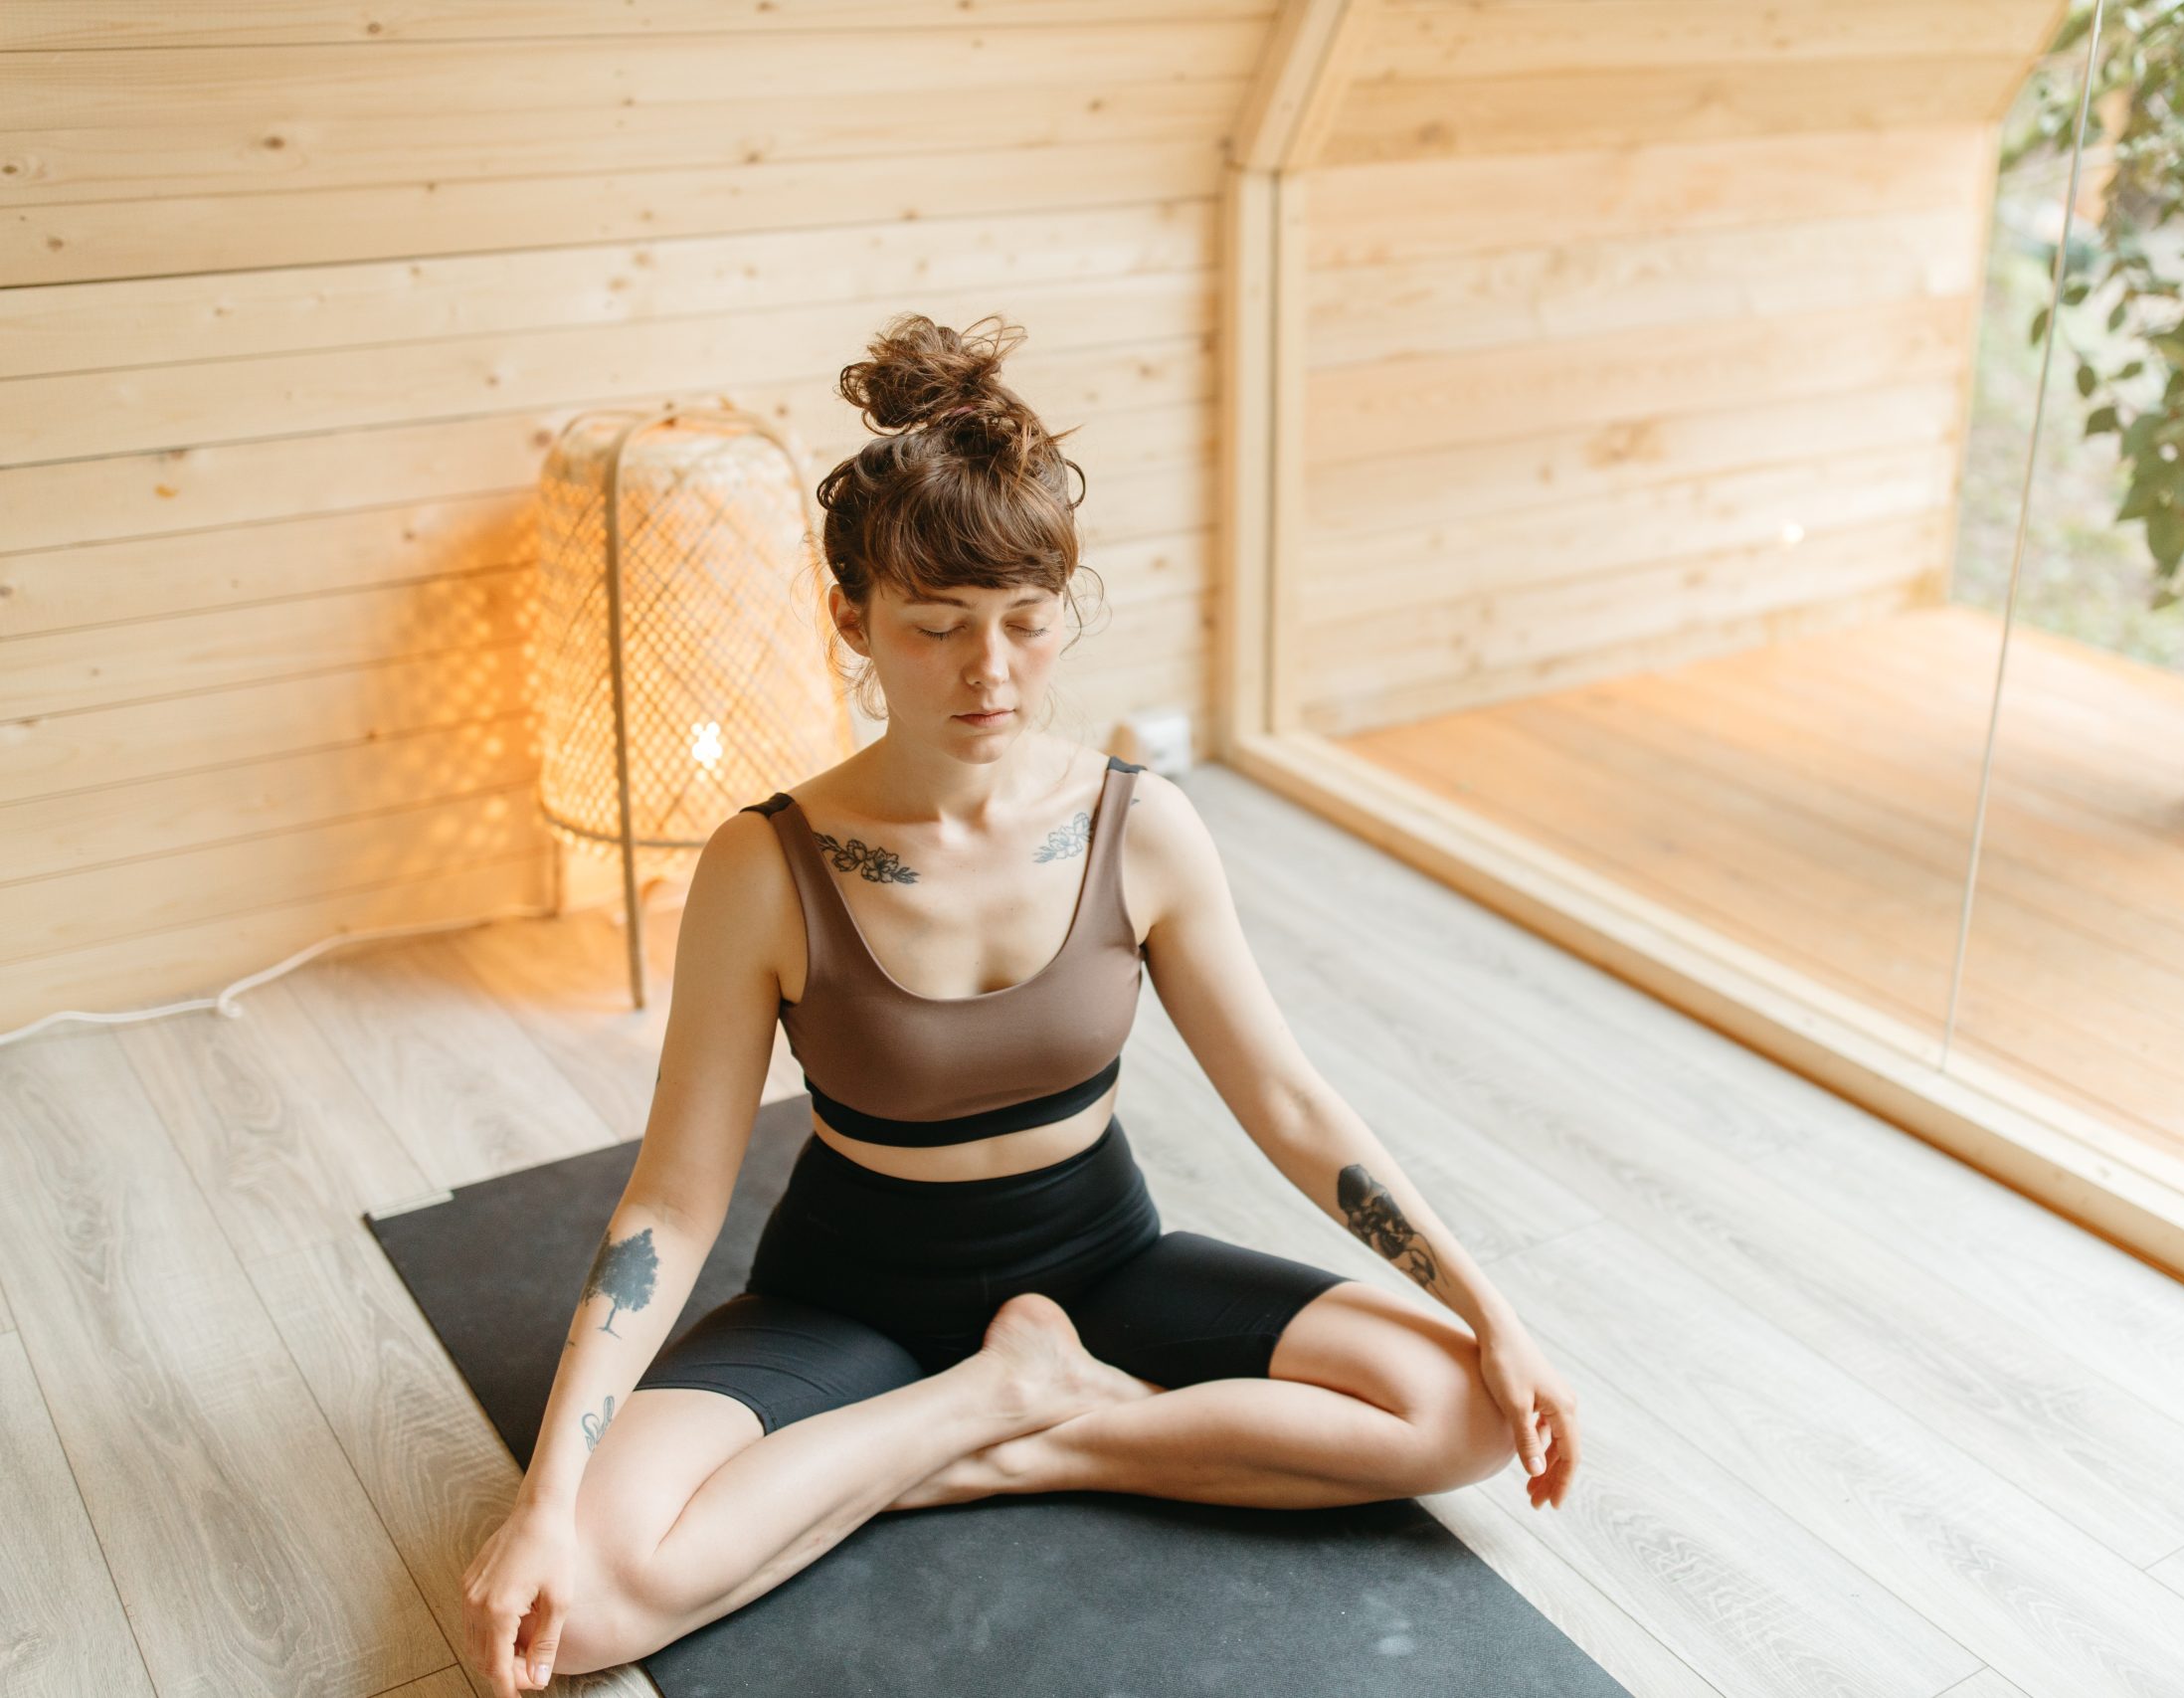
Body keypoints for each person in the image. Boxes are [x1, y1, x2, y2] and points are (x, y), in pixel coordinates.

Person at [460, 312, 1582, 1693]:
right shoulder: (766, 864)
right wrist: (544, 1502)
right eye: (935, 630)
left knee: (1466, 1409)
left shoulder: (1143, 829)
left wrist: (1496, 1310)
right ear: (853, 619)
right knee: (583, 1605)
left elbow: (1287, 1100)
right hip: (850, 1295)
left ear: (1065, 613)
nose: (987, 674)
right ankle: (982, 1403)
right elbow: (672, 1205)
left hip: (1104, 1264)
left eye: (1024, 625)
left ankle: (1032, 1434)